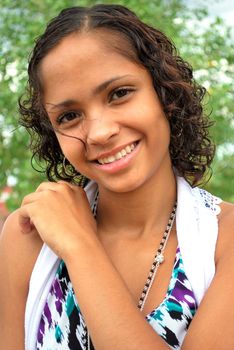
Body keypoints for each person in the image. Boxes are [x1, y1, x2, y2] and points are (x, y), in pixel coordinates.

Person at [0, 4, 233, 350]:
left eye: (119, 94)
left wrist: (80, 247)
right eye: (69, 116)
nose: (99, 133)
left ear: (163, 93)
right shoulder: (30, 239)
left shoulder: (224, 241)